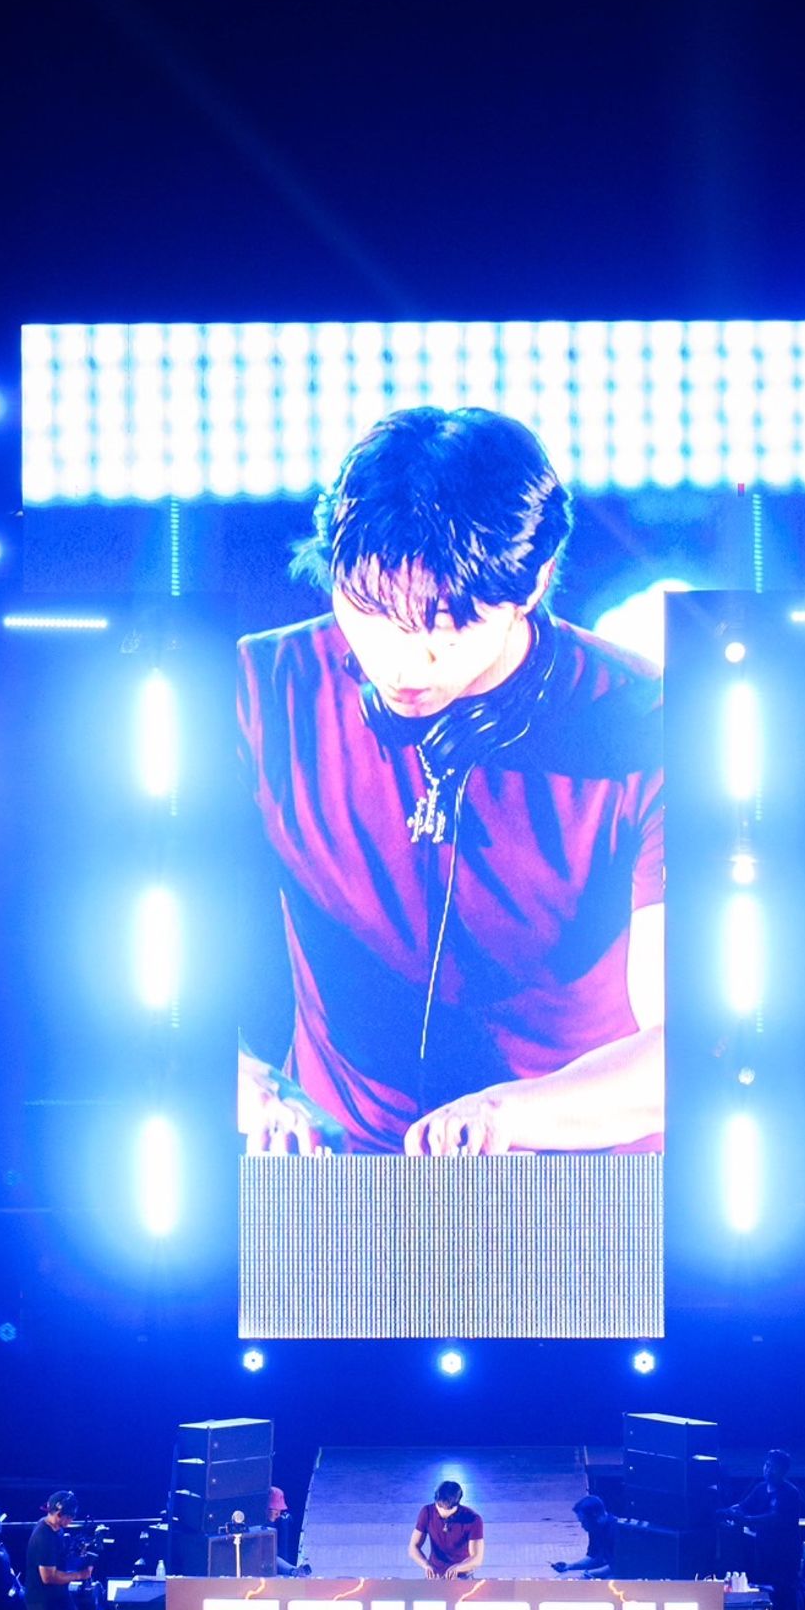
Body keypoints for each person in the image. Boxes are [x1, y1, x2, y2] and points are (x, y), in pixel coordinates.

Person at [236, 405, 664, 1157]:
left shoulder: (654, 721)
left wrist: (507, 1117)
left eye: (446, 624)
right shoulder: (258, 692)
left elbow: (694, 1043)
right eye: (370, 612)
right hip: (336, 1176)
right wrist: (252, 1092)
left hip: (582, 1183)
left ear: (531, 584)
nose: (402, 660)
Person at [719, 1450, 803, 1610]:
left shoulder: (790, 1493)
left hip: (784, 1558)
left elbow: (775, 1518)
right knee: (765, 1597)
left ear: (783, 1470)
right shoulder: (760, 1489)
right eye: (767, 1465)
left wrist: (747, 1519)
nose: (768, 1470)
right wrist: (728, 1511)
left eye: (773, 1466)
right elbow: (744, 1505)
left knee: (782, 1601)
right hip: (763, 1555)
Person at [408, 1479, 484, 1578]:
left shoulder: (473, 1519)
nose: (443, 1512)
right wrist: (425, 1564)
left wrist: (458, 1568)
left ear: (457, 1503)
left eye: (448, 1509)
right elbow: (413, 1547)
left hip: (462, 1573)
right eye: (439, 1506)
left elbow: (477, 1558)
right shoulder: (427, 1512)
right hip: (435, 1573)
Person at [550, 1494, 617, 1578]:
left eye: (584, 1522)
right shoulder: (595, 1528)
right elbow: (594, 1558)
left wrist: (584, 1574)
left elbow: (615, 1567)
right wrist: (570, 1567)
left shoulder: (617, 1532)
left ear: (595, 1516)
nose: (582, 1526)